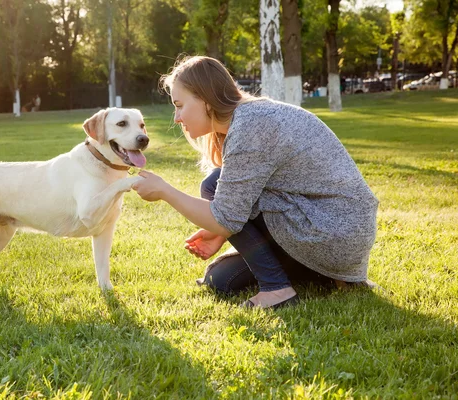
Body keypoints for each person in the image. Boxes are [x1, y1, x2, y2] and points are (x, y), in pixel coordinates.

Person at [131, 56, 379, 309]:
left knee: (212, 185)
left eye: (180, 105)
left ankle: (277, 290)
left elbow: (226, 214)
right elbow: (243, 202)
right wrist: (223, 231)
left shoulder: (251, 125)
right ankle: (328, 276)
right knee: (221, 281)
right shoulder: (251, 116)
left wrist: (164, 191)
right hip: (331, 231)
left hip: (332, 233)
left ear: (205, 99)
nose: (177, 118)